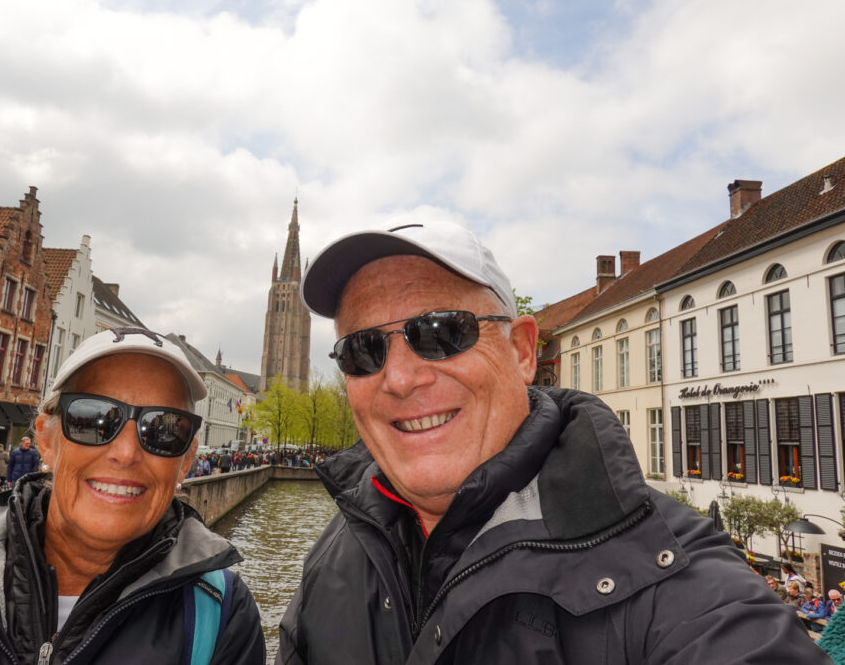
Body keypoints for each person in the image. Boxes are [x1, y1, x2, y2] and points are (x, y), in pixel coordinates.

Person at [277, 220, 829, 664]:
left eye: (441, 332)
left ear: (522, 352)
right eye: (363, 350)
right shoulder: (336, 553)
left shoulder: (676, 578)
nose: (399, 379)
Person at [0, 326, 265, 663]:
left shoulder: (219, 615)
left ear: (186, 460)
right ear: (46, 439)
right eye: (93, 419)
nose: (126, 453)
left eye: (164, 430)